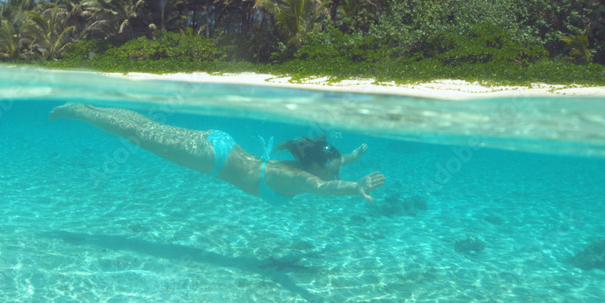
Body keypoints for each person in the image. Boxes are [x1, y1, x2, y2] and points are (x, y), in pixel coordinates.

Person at [49, 103, 385, 204]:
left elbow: (328, 171)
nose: (337, 172)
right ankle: (79, 110)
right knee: (141, 134)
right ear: (316, 166)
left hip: (222, 143)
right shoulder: (299, 177)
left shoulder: (308, 165)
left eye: (339, 169)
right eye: (337, 168)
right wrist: (353, 186)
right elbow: (324, 186)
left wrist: (351, 159)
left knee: (146, 129)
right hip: (212, 157)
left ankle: (87, 108)